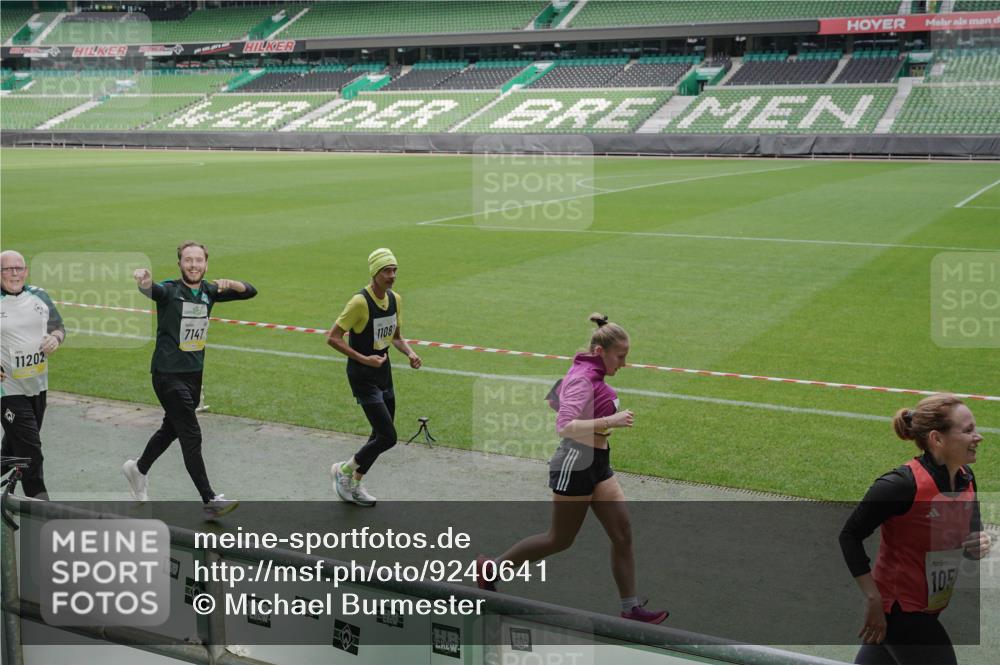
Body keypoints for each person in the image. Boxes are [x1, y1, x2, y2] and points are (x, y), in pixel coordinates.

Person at [476, 314, 668, 624]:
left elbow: (554, 399)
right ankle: (492, 569)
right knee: (559, 539)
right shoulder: (583, 376)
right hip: (575, 464)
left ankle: (631, 608)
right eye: (620, 357)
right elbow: (563, 425)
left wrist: (592, 419)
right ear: (600, 352)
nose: (624, 363)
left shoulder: (585, 370)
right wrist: (610, 421)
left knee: (623, 534)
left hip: (599, 464)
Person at [839, 394, 990, 665]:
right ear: (937, 439)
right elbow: (850, 535)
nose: (978, 437)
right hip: (899, 611)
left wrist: (978, 544)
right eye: (967, 431)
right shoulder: (901, 485)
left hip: (929, 607)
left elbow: (970, 538)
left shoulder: (966, 479)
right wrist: (873, 597)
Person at [122, 241, 257, 518]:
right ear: (180, 264)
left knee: (171, 429)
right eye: (188, 260)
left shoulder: (208, 291)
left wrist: (231, 283)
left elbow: (250, 292)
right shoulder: (171, 290)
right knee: (191, 434)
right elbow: (153, 290)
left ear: (206, 264)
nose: (193, 265)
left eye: (198, 260)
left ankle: (138, 468)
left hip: (194, 375)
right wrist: (144, 282)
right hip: (167, 375)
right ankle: (209, 498)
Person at [326, 248, 421, 507]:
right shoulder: (359, 302)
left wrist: (410, 353)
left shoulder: (395, 299)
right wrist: (364, 358)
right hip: (362, 374)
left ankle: (355, 482)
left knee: (378, 433)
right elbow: (332, 338)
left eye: (394, 270)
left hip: (383, 372)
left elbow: (396, 337)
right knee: (388, 436)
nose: (392, 276)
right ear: (375, 273)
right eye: (387, 271)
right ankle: (343, 471)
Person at [0, 250, 65, 500]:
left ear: (26, 271)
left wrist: (55, 339)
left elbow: (58, 327)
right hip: (8, 391)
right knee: (32, 456)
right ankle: (42, 517)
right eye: (8, 269)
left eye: (19, 268)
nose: (15, 273)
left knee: (13, 452)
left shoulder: (39, 296)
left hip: (38, 387)